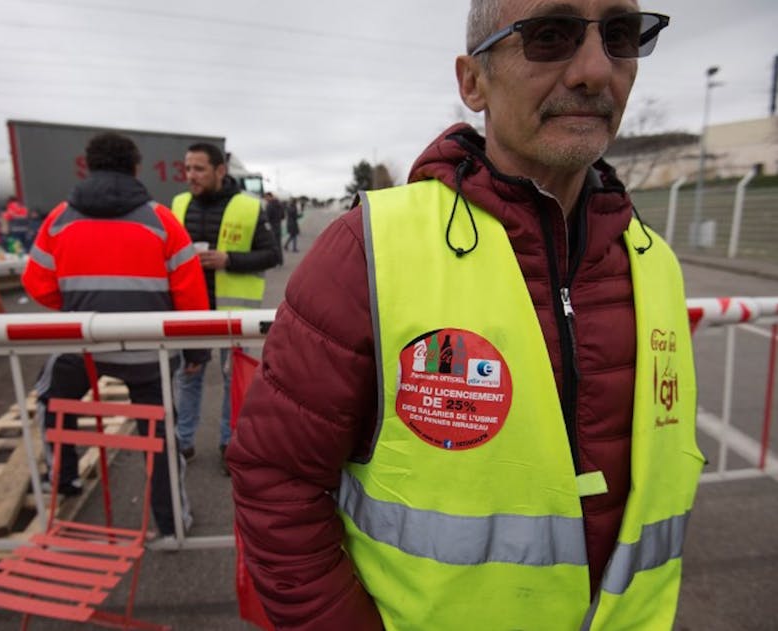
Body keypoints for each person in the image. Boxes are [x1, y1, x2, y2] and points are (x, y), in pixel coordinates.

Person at [228, 2, 702, 629]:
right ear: (472, 82)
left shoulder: (654, 263)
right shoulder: (369, 248)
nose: (595, 69)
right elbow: (274, 478)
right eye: (550, 35)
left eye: (619, 35)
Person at [22, 132, 210, 540]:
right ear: (135, 168)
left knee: (53, 401)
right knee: (160, 436)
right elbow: (191, 295)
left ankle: (65, 481)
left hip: (82, 344)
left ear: (88, 166)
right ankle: (172, 520)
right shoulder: (161, 221)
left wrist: (76, 307)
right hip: (148, 353)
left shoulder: (59, 218)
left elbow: (37, 283)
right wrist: (195, 349)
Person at [170, 142, 281, 474]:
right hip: (190, 312)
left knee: (234, 382)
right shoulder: (177, 204)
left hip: (234, 315)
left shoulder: (249, 208)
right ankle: (183, 443)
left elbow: (272, 255)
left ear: (220, 171)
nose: (191, 176)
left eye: (199, 169)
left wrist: (227, 260)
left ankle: (229, 444)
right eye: (188, 168)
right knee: (188, 377)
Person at [264, 192, 285, 265]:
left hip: (272, 228)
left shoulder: (269, 205)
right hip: (278, 227)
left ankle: (274, 261)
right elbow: (283, 216)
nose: (265, 199)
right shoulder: (280, 204)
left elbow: (266, 218)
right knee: (278, 244)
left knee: (272, 246)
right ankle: (280, 260)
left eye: (266, 197)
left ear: (269, 197)